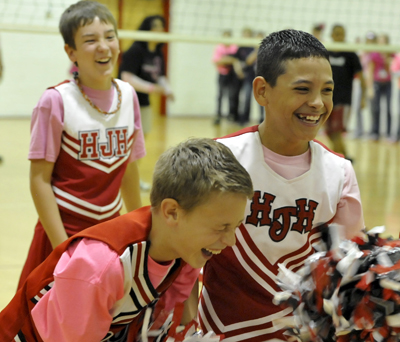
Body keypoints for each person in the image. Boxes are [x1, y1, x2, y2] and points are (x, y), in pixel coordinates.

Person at [0, 137, 254, 342]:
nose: (230, 240)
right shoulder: (100, 267)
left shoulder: (185, 248)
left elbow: (173, 326)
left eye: (236, 227)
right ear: (172, 212)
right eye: (221, 227)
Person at [199, 29, 365, 341]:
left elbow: (349, 269)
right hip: (218, 330)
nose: (317, 103)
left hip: (297, 334)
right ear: (262, 91)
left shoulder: (339, 172)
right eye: (302, 89)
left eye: (327, 90)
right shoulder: (219, 157)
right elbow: (182, 260)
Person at [17, 0, 146, 289]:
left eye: (110, 36)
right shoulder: (55, 101)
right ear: (71, 52)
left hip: (108, 234)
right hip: (62, 234)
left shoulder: (129, 95)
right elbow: (39, 181)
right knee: (43, 328)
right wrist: (61, 247)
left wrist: (139, 228)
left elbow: (129, 168)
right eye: (90, 40)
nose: (103, 46)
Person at [119, 15, 173, 191]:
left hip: (144, 102)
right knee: (128, 141)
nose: (159, 30)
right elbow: (126, 76)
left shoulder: (157, 52)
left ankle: (130, 177)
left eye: (161, 26)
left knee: (141, 139)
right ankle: (121, 178)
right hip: (126, 101)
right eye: (155, 26)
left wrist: (168, 89)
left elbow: (161, 76)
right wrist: (151, 88)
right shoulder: (135, 49)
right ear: (147, 28)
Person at [326, 24, 366, 158]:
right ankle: (345, 156)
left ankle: (341, 159)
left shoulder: (350, 54)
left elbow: (361, 78)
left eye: (342, 33)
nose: (339, 36)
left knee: (337, 131)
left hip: (343, 99)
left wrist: (363, 98)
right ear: (331, 35)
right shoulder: (326, 52)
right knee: (329, 132)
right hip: (326, 99)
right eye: (337, 33)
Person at [367, 33, 393, 141]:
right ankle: (375, 132)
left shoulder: (390, 53)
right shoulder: (374, 54)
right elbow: (370, 71)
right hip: (377, 82)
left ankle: (388, 133)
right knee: (376, 109)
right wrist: (370, 87)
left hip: (387, 83)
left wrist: (387, 59)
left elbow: (393, 67)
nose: (382, 42)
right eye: (380, 40)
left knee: (388, 109)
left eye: (384, 40)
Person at [211, 30, 239, 125]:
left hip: (232, 75)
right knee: (220, 95)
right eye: (225, 37)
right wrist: (228, 60)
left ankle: (231, 115)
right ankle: (218, 115)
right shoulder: (219, 47)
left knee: (232, 95)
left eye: (228, 36)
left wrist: (226, 60)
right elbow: (216, 61)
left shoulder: (234, 47)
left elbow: (236, 60)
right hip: (222, 74)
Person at [233, 27, 257, 126]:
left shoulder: (253, 48)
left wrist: (256, 50)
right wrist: (238, 70)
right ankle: (236, 117)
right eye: (244, 34)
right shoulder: (240, 48)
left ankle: (245, 119)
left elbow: (249, 61)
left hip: (250, 76)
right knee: (235, 96)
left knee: (247, 97)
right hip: (239, 76)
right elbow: (235, 60)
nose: (245, 36)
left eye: (248, 34)